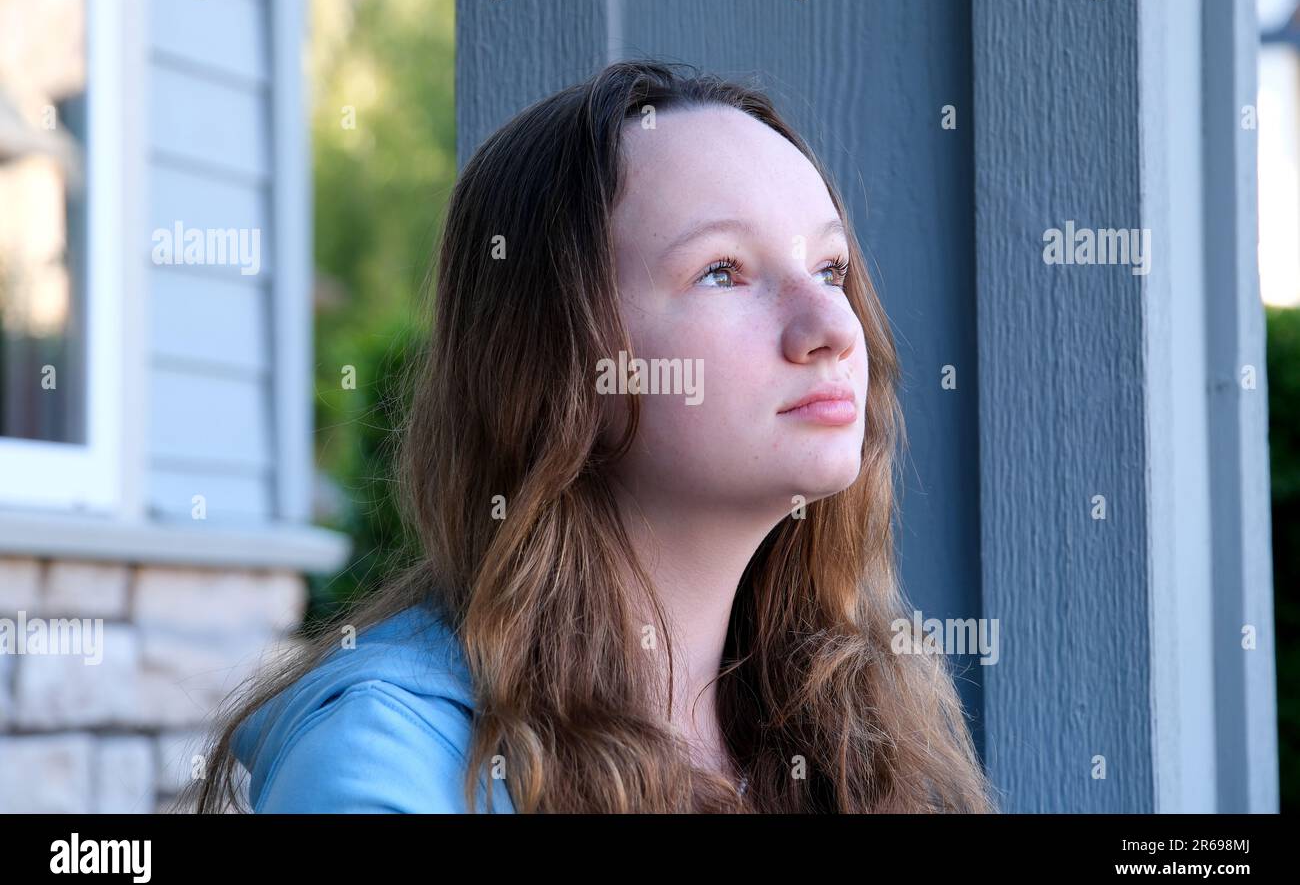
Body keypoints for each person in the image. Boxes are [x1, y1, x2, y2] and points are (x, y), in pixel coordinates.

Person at [181, 58, 998, 814]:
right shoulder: (387, 759)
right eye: (723, 271)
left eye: (830, 269)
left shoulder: (850, 728)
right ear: (558, 364)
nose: (832, 327)